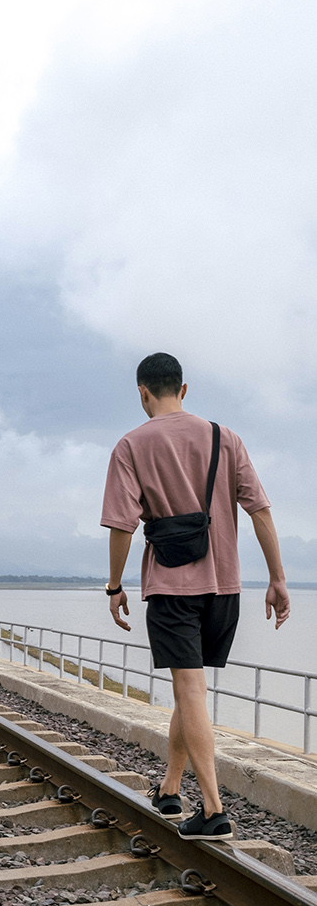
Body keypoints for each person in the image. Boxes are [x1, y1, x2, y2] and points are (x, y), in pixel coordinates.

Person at [101, 352, 290, 839]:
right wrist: (277, 579)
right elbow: (260, 511)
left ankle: (212, 809)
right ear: (184, 390)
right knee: (192, 694)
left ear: (143, 392)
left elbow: (122, 525)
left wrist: (116, 584)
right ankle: (168, 789)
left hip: (171, 588)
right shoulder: (225, 438)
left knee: (189, 691)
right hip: (225, 588)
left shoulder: (130, 445)